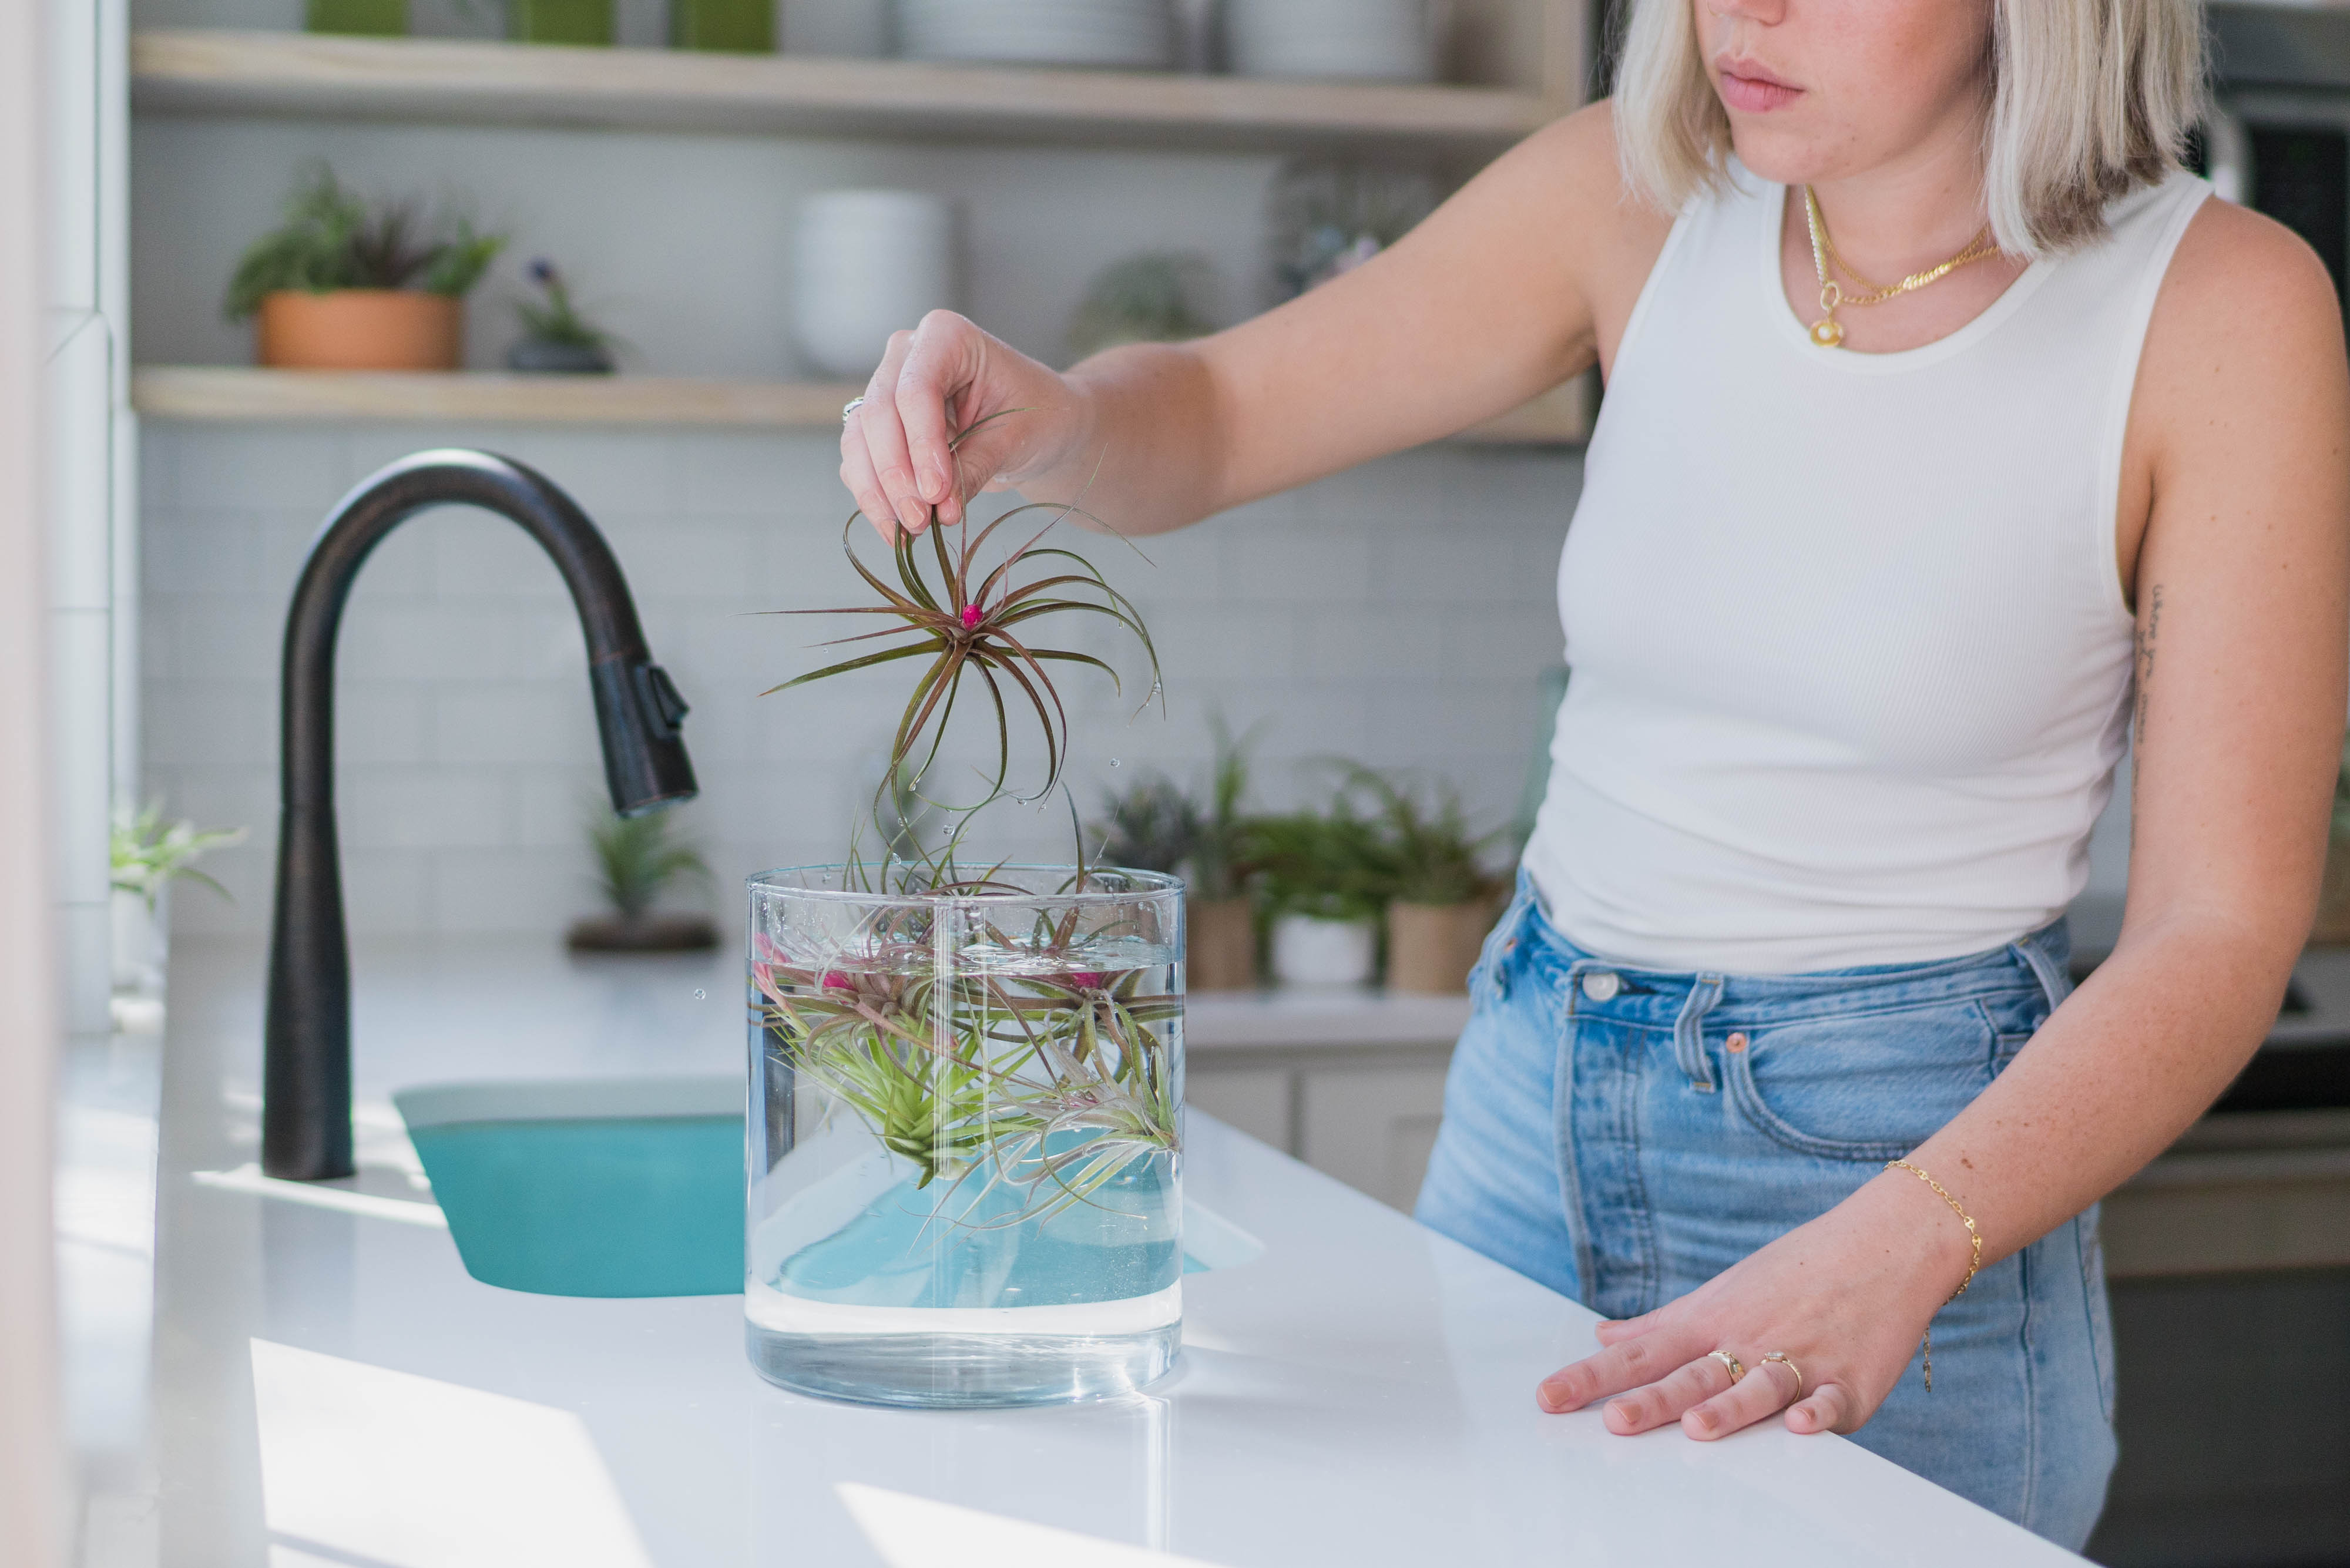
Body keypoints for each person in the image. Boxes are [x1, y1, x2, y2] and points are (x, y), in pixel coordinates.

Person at [836, 0, 2349, 1546]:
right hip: (1528, 1104)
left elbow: (2220, 926)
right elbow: (1217, 417)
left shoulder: (2220, 311)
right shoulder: (1631, 198)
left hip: (1906, 1170)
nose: (1740, 11)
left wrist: (1908, 1239)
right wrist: (1061, 418)